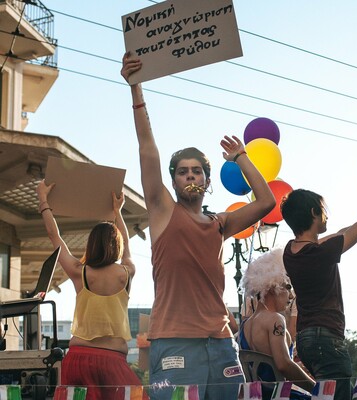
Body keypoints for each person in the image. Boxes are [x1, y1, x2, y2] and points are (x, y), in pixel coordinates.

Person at [121, 54, 276, 400]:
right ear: (173, 181)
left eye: (197, 171)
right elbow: (148, 149)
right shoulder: (162, 211)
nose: (190, 175)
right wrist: (136, 88)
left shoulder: (219, 224)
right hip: (173, 344)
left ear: (206, 181)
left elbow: (266, 203)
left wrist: (241, 157)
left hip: (221, 346)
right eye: (182, 171)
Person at [281, 146, 357, 400]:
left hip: (305, 338)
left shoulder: (291, 251)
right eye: (323, 209)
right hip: (326, 337)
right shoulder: (321, 252)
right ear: (314, 213)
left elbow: (345, 231)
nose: (327, 215)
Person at [36, 181, 147, 400]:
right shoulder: (127, 272)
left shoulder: (80, 273)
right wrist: (118, 212)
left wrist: (43, 200)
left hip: (79, 359)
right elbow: (127, 244)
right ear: (117, 246)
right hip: (113, 360)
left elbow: (54, 236)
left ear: (91, 245)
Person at [239, 248, 315, 399]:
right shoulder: (275, 319)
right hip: (278, 395)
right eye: (287, 287)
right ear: (273, 287)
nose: (291, 294)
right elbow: (283, 364)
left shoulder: (245, 325)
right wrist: (315, 387)